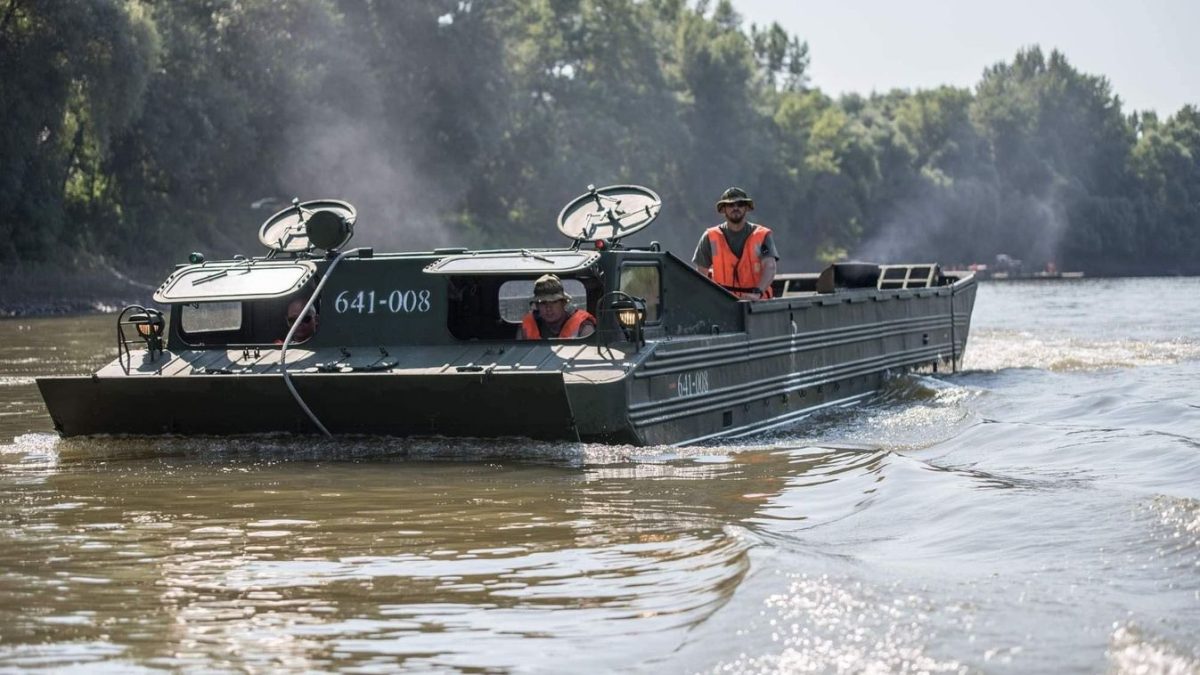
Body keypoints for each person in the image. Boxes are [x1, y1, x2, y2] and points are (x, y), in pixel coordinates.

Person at [692, 186, 779, 299]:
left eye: (740, 204)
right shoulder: (710, 237)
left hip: (757, 304)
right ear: (723, 209)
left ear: (746, 208)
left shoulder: (762, 236)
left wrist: (757, 293)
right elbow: (701, 273)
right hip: (723, 303)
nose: (735, 208)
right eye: (730, 205)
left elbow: (770, 266)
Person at [517, 274, 596, 340]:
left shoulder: (584, 327)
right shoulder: (526, 327)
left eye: (554, 302)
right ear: (537, 306)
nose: (548, 308)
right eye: (543, 303)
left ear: (563, 303)